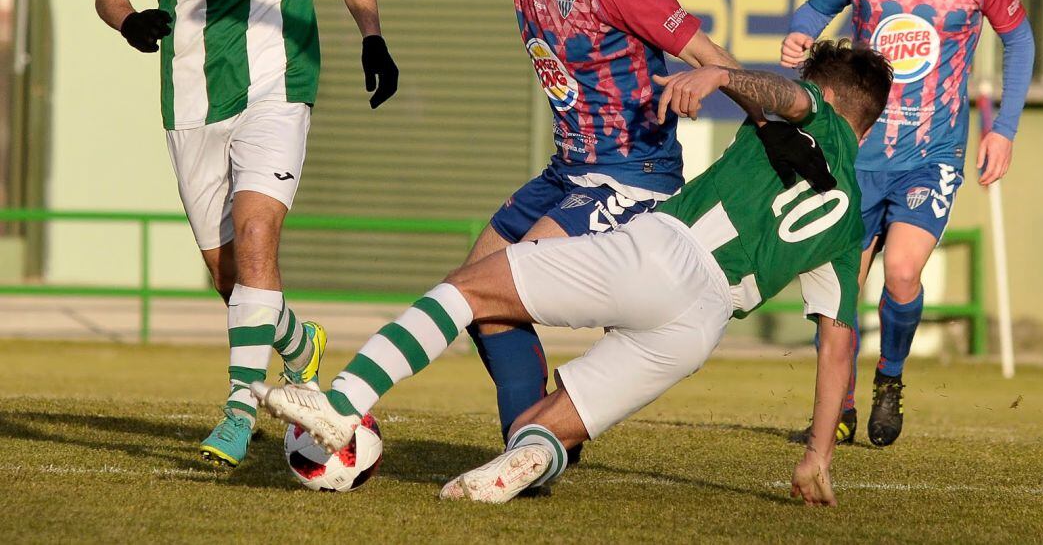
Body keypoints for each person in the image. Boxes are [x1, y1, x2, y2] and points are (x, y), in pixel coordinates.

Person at [294, 0, 834, 447]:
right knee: (478, 292)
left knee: (481, 291)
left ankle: (351, 405)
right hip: (568, 171)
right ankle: (532, 442)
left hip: (629, 176)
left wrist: (776, 133)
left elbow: (710, 59)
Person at [252, 40, 892, 506]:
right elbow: (838, 349)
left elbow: (784, 94)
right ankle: (521, 463)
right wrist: (816, 457)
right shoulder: (851, 227)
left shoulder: (817, 114)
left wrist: (724, 73)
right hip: (701, 326)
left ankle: (344, 404)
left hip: (666, 255)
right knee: (544, 426)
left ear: (829, 98)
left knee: (472, 284)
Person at [94, 0, 399, 467]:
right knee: (232, 278)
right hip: (193, 96)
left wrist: (373, 37)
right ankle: (300, 343)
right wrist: (129, 20)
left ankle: (239, 408)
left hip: (280, 83)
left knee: (259, 236)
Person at [781, 0, 1035, 447]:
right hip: (855, 151)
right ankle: (835, 407)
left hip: (932, 155)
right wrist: (799, 35)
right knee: (841, 289)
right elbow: (814, 11)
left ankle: (888, 380)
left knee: (899, 272)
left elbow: (1020, 40)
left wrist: (1003, 129)